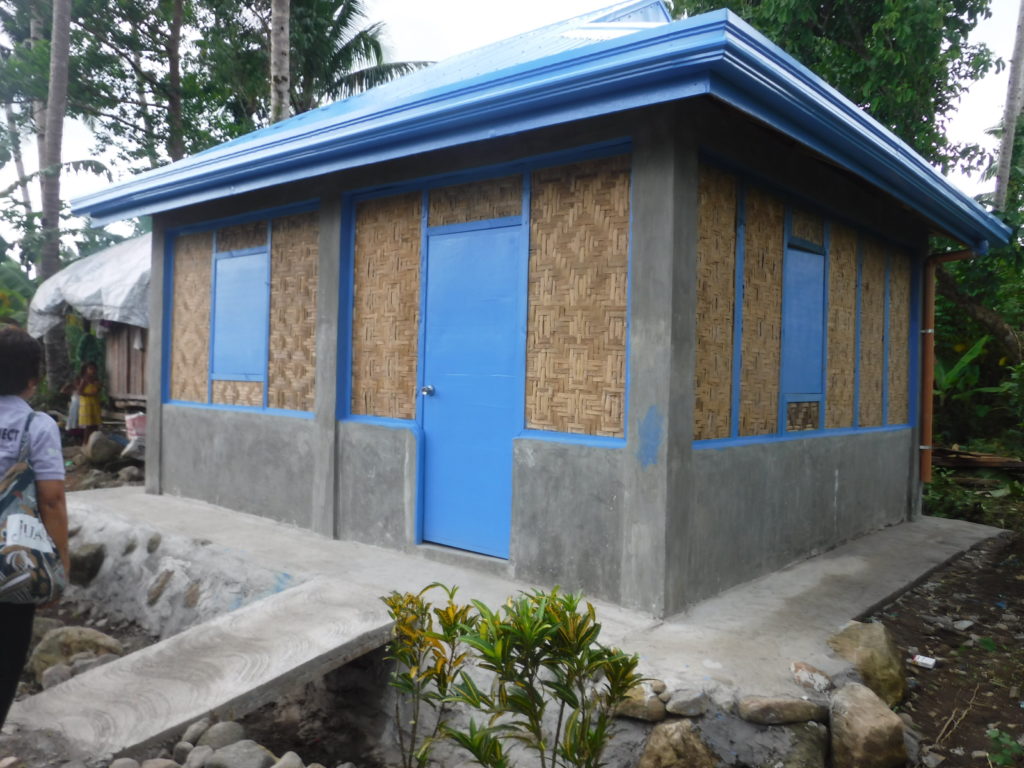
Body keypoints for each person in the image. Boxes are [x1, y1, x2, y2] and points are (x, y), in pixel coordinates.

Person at [0, 326, 69, 728]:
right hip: (16, 562)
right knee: (6, 659)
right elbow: (52, 499)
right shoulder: (37, 427)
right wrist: (60, 564)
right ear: (32, 379)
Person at [76, 361, 102, 444]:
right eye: (90, 369)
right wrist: (90, 394)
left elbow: (98, 390)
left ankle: (94, 442)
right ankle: (85, 442)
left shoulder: (96, 379)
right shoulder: (84, 380)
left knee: (95, 424)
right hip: (87, 404)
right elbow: (79, 392)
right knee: (89, 425)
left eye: (94, 369)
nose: (92, 370)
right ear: (86, 370)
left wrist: (99, 387)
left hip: (94, 403)